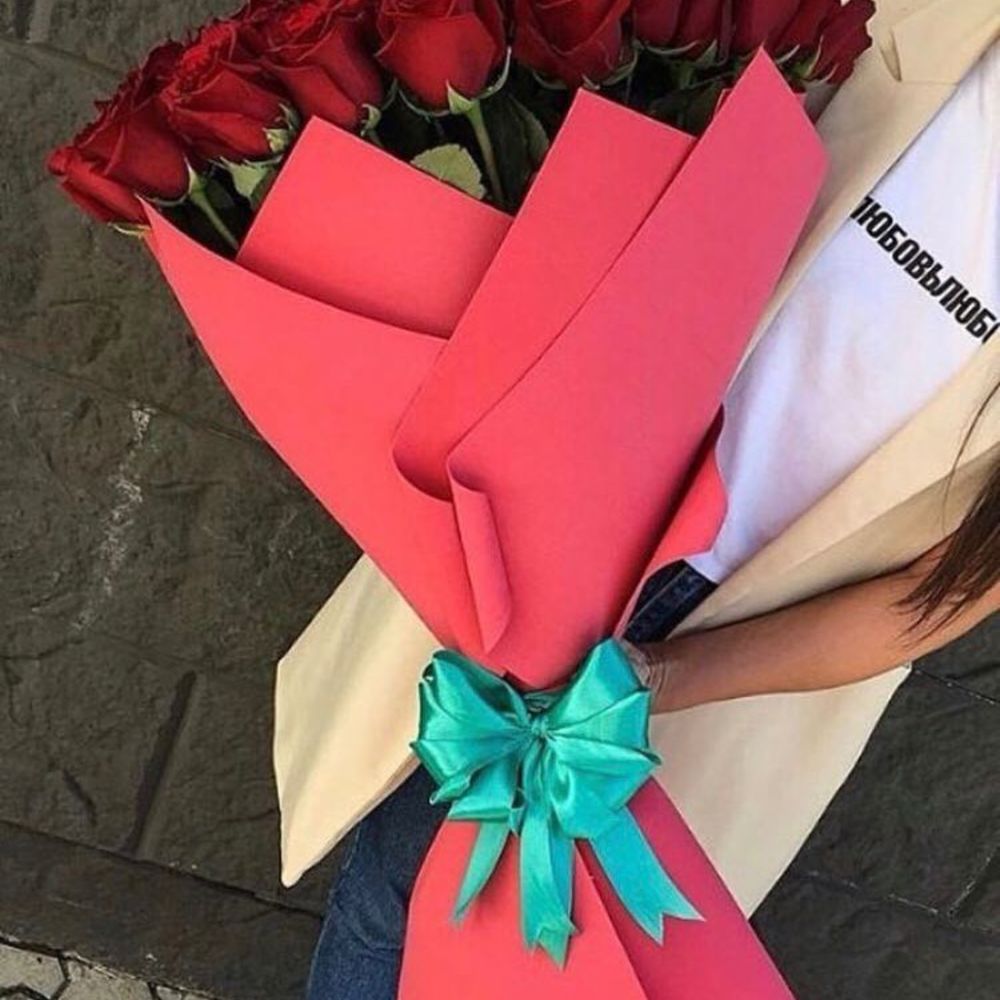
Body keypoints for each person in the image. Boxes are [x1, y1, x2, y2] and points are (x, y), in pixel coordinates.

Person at [286, 6, 999, 998]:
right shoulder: (926, 20)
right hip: (542, 526)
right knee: (391, 890)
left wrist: (657, 676)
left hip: (727, 645)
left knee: (531, 962)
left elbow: (934, 599)